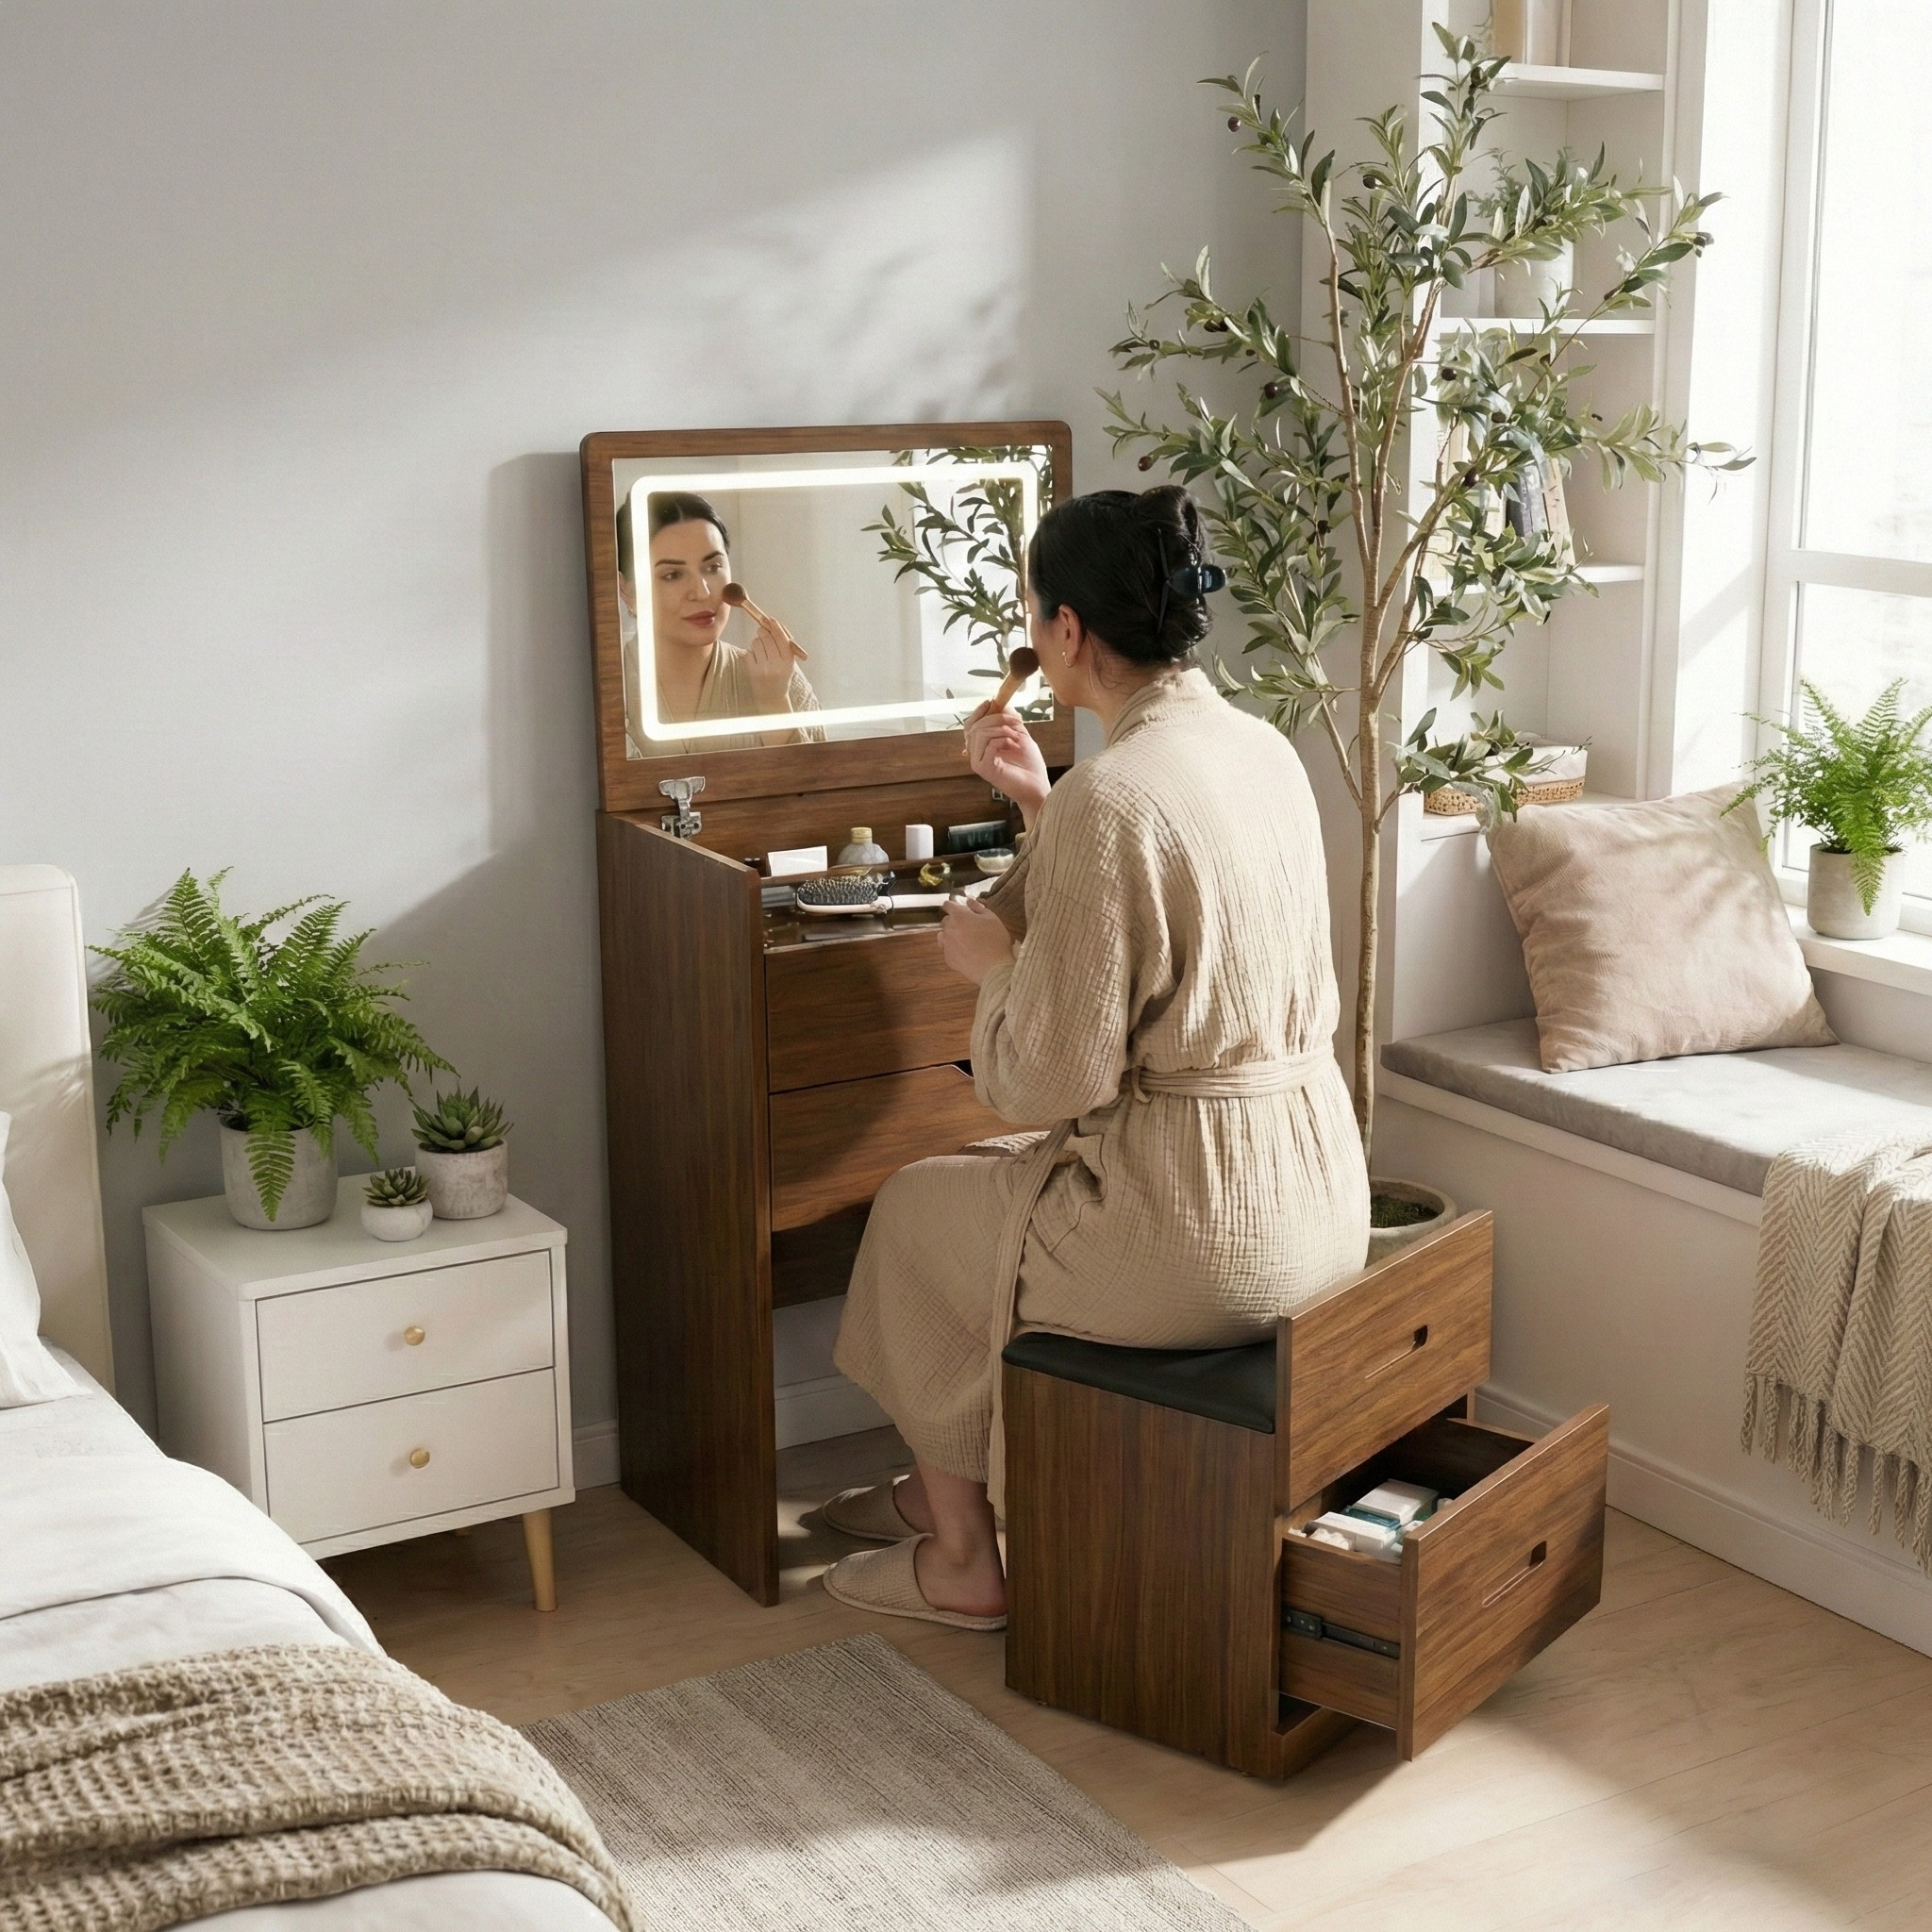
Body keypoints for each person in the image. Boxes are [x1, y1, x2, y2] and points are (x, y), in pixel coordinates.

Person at [821, 485, 1371, 1629]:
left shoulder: (1109, 798)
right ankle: (936, 1492)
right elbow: (1159, 910)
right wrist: (1036, 804)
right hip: (1318, 1194)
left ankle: (963, 1555)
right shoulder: (1259, 745)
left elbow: (1049, 1078)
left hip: (1192, 1236)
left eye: (1033, 611)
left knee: (915, 1211)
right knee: (975, 1202)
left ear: (1066, 630)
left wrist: (991, 970)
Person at [615, 491, 822, 753]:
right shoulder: (607, 686)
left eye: (713, 568)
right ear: (627, 590)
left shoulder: (779, 680)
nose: (701, 592)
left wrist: (774, 703)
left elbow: (823, 788)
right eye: (672, 575)